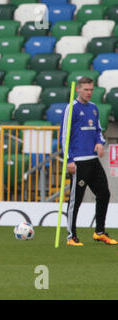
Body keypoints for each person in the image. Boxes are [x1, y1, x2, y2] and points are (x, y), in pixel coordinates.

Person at [59, 77, 117, 246]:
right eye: (86, 89)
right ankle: (71, 236)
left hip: (93, 160)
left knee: (104, 193)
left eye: (91, 89)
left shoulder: (93, 108)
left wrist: (100, 142)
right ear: (78, 89)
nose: (89, 92)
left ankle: (99, 232)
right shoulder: (72, 108)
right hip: (78, 161)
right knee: (76, 200)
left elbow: (98, 130)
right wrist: (68, 159)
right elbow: (64, 136)